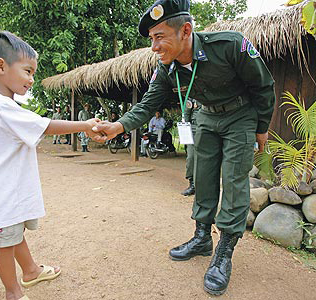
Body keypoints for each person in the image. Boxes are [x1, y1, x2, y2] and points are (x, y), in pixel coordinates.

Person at [92, 0, 275, 295]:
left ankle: (224, 252)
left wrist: (261, 127)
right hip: (204, 117)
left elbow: (263, 86)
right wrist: (117, 127)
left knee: (233, 180)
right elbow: (147, 104)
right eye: (151, 39)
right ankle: (202, 238)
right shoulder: (166, 69)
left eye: (159, 37)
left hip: (240, 117)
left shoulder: (230, 45)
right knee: (201, 177)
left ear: (185, 30)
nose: (154, 46)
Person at [0, 29, 99, 300]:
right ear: (1, 66)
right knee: (6, 244)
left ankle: (30, 270)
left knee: (14, 233)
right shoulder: (0, 106)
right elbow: (46, 126)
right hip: (0, 193)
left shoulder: (3, 104)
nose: (31, 79)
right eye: (27, 71)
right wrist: (85, 125)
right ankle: (13, 293)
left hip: (8, 190)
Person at [181, 98, 200, 196]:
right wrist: (185, 129)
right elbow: (186, 113)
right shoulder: (192, 96)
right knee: (191, 157)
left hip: (208, 128)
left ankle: (203, 185)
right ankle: (192, 184)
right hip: (193, 129)